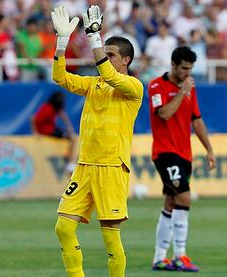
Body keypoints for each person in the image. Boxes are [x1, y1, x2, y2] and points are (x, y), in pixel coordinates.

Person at [51, 5, 143, 277]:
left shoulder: (134, 88)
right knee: (63, 227)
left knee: (110, 236)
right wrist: (62, 43)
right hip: (84, 166)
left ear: (125, 60)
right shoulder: (93, 85)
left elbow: (111, 76)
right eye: (104, 53)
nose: (103, 58)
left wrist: (94, 39)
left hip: (112, 168)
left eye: (110, 55)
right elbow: (60, 77)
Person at [148, 46, 216, 272]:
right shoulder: (156, 85)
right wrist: (181, 92)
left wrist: (209, 149)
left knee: (171, 202)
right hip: (165, 152)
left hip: (184, 153)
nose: (188, 73)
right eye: (184, 68)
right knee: (185, 197)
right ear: (174, 65)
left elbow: (196, 119)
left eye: (191, 69)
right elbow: (164, 114)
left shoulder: (189, 88)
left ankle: (159, 258)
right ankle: (180, 255)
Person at [31, 91, 76, 174]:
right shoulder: (47, 108)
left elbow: (64, 117)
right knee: (72, 139)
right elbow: (34, 118)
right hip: (47, 131)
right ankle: (70, 162)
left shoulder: (55, 108)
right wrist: (35, 133)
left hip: (52, 129)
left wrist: (70, 128)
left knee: (72, 137)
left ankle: (69, 158)